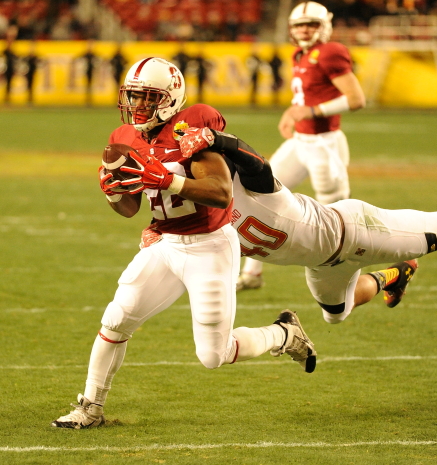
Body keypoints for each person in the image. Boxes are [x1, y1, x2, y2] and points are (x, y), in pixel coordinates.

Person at [51, 58, 316, 430]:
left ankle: (283, 334)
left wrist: (168, 181)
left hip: (210, 245)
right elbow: (129, 208)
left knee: (214, 354)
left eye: (148, 98)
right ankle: (91, 407)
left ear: (171, 98)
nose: (138, 106)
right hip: (165, 243)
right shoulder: (124, 138)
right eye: (134, 97)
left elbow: (221, 193)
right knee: (116, 319)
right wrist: (112, 193)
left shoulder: (190, 126)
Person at [145, 123, 437, 324]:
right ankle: (395, 275)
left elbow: (257, 163)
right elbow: (180, 234)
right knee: (335, 313)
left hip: (351, 231)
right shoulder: (198, 213)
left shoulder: (247, 183)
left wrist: (220, 141)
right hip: (322, 260)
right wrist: (159, 232)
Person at [237, 1, 366, 291]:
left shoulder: (331, 51)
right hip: (300, 142)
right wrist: (293, 113)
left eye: (311, 24)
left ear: (325, 26)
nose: (304, 30)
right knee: (258, 193)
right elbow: (305, 100)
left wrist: (311, 112)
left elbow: (356, 99)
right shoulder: (300, 54)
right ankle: (252, 274)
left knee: (337, 215)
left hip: (324, 144)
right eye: (299, 25)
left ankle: (348, 278)